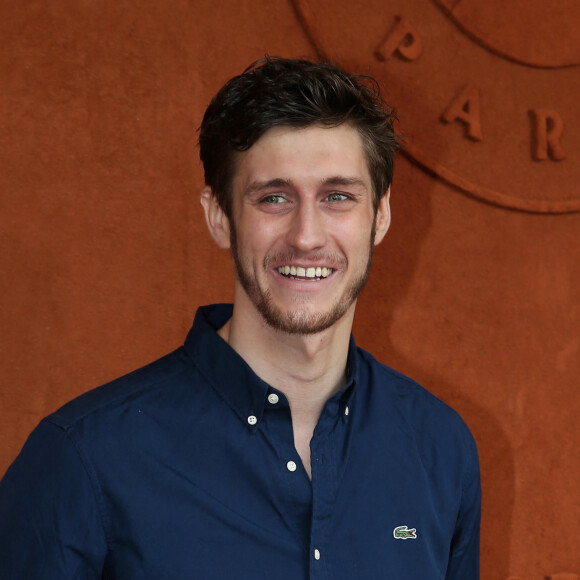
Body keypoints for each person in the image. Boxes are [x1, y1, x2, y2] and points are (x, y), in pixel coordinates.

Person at [0, 57, 480, 579]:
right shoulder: (84, 458)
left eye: (338, 197)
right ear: (219, 216)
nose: (307, 235)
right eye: (274, 198)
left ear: (380, 216)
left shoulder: (440, 447)